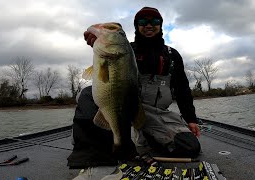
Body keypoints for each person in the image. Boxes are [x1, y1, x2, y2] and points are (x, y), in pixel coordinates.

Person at [68, 7, 201, 180]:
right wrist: (96, 42)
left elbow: (182, 88)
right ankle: (97, 163)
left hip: (152, 114)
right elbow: (104, 71)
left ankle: (144, 138)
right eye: (143, 22)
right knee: (87, 94)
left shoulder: (172, 55)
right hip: (123, 108)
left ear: (161, 25)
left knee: (190, 146)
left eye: (154, 21)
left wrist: (190, 119)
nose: (149, 25)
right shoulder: (126, 49)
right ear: (137, 26)